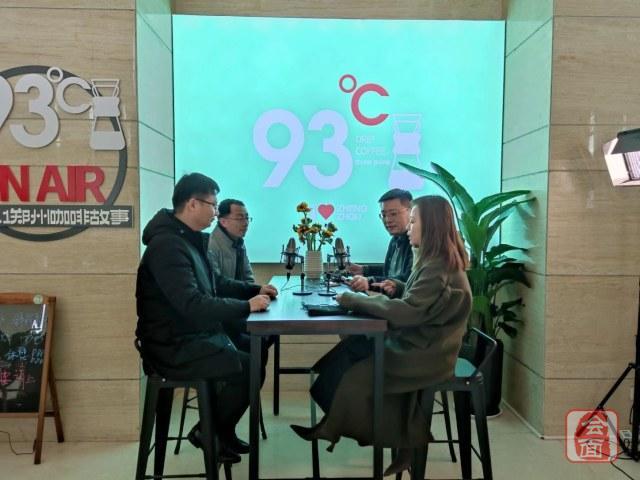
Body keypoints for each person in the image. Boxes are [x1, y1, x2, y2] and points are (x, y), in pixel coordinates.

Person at [291, 195, 471, 476]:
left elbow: (408, 312)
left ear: (431, 227)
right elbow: (419, 300)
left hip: (426, 354)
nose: (409, 227)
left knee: (358, 374)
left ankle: (342, 428)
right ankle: (397, 441)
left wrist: (354, 300)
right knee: (353, 350)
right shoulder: (434, 260)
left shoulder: (436, 267)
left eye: (413, 221)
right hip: (426, 345)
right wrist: (395, 286)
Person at [135, 173, 278, 461]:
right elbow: (192, 304)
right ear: (192, 204)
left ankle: (220, 432)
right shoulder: (167, 246)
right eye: (212, 205)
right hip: (171, 344)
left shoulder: (188, 240)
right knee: (247, 368)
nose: (215, 212)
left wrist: (255, 289)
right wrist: (246, 306)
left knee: (254, 352)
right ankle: (208, 432)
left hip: (192, 335)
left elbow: (217, 283)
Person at [348, 188, 413, 292]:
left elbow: (406, 280)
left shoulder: (416, 241)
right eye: (384, 215)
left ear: (411, 212)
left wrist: (369, 281)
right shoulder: (395, 239)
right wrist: (364, 270)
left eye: (393, 214)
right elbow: (390, 273)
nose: (387, 220)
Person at [209, 198, 255, 283]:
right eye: (240, 218)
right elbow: (216, 284)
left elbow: (248, 277)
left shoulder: (239, 242)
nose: (246, 223)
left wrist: (256, 289)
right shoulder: (211, 245)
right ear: (223, 222)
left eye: (247, 218)